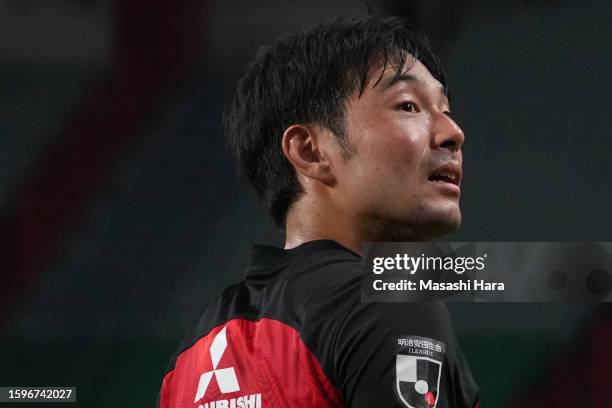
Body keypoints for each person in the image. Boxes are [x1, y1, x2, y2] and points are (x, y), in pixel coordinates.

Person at [158, 16, 478, 408]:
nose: (453, 132)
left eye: (446, 109)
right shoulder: (387, 304)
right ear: (309, 151)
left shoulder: (191, 354)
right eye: (408, 105)